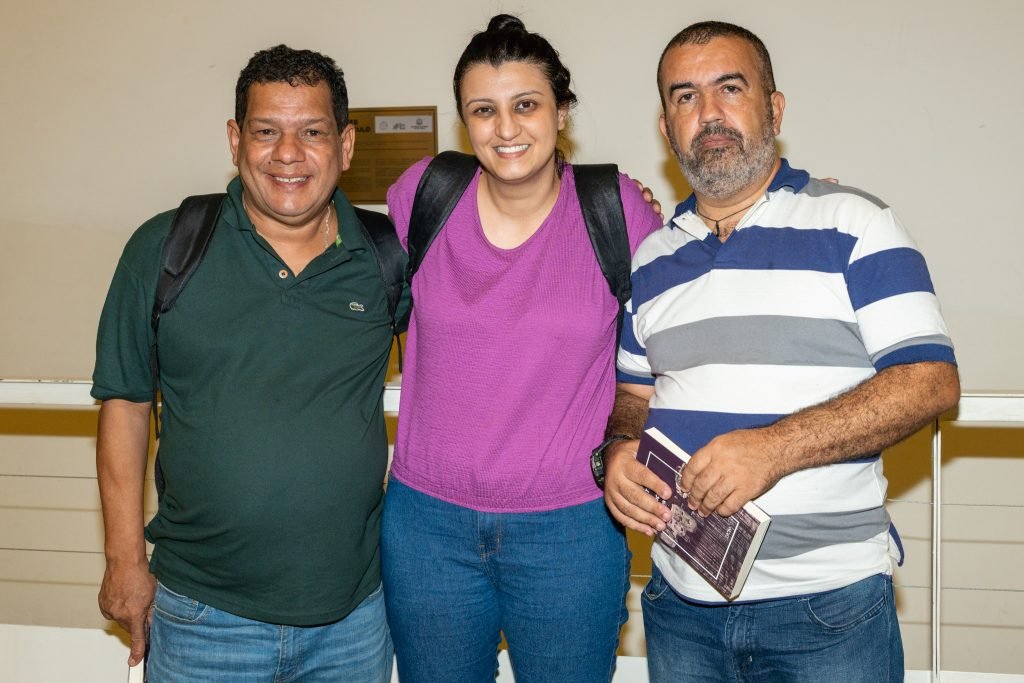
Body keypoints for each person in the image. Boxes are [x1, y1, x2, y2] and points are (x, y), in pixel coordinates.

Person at [599, 20, 960, 683]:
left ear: (774, 107)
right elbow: (633, 394)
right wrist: (618, 451)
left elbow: (930, 382)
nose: (708, 113)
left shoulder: (857, 223)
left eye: (729, 88)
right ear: (665, 126)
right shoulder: (652, 258)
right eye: (684, 96)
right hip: (679, 606)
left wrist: (772, 448)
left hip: (827, 612)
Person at [93, 45, 403, 681]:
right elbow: (124, 403)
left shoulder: (385, 258)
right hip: (202, 618)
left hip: (351, 619)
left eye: (312, 132)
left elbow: (493, 315)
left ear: (345, 146)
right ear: (236, 139)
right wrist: (124, 559)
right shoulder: (165, 247)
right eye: (266, 131)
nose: (288, 153)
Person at [380, 14, 663, 683]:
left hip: (570, 529)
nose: (506, 129)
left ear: (561, 112)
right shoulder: (423, 194)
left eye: (526, 105)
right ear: (463, 122)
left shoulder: (616, 208)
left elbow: (684, 305)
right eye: (484, 110)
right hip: (426, 529)